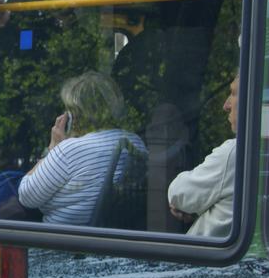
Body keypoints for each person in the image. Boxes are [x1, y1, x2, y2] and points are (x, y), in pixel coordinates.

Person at [17, 71, 146, 225]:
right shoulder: (134, 142)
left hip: (61, 244)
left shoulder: (69, 150)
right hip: (113, 240)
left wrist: (52, 149)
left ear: (73, 115)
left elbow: (26, 196)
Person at [167, 75, 238, 237]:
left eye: (233, 93)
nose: (226, 106)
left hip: (201, 260)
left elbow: (180, 194)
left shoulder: (235, 153)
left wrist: (192, 205)